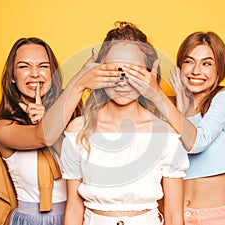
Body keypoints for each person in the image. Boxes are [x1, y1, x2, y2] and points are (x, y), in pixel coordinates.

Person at [0, 37, 123, 225]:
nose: (35, 74)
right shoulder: (2, 128)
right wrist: (79, 80)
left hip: (75, 217)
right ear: (12, 76)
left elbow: (88, 167)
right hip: (29, 220)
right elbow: (42, 137)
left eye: (43, 66)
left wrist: (48, 119)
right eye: (24, 67)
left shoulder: (75, 117)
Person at [60, 21, 189, 225]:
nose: (122, 79)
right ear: (99, 71)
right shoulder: (78, 131)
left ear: (149, 74)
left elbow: (174, 217)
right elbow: (74, 210)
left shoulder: (166, 135)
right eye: (113, 70)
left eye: (134, 71)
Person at [124, 31, 225, 224]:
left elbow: (197, 142)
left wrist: (163, 98)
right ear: (180, 66)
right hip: (171, 215)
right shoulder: (167, 106)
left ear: (220, 68)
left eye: (207, 63)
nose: (196, 71)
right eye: (189, 61)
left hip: (212, 217)